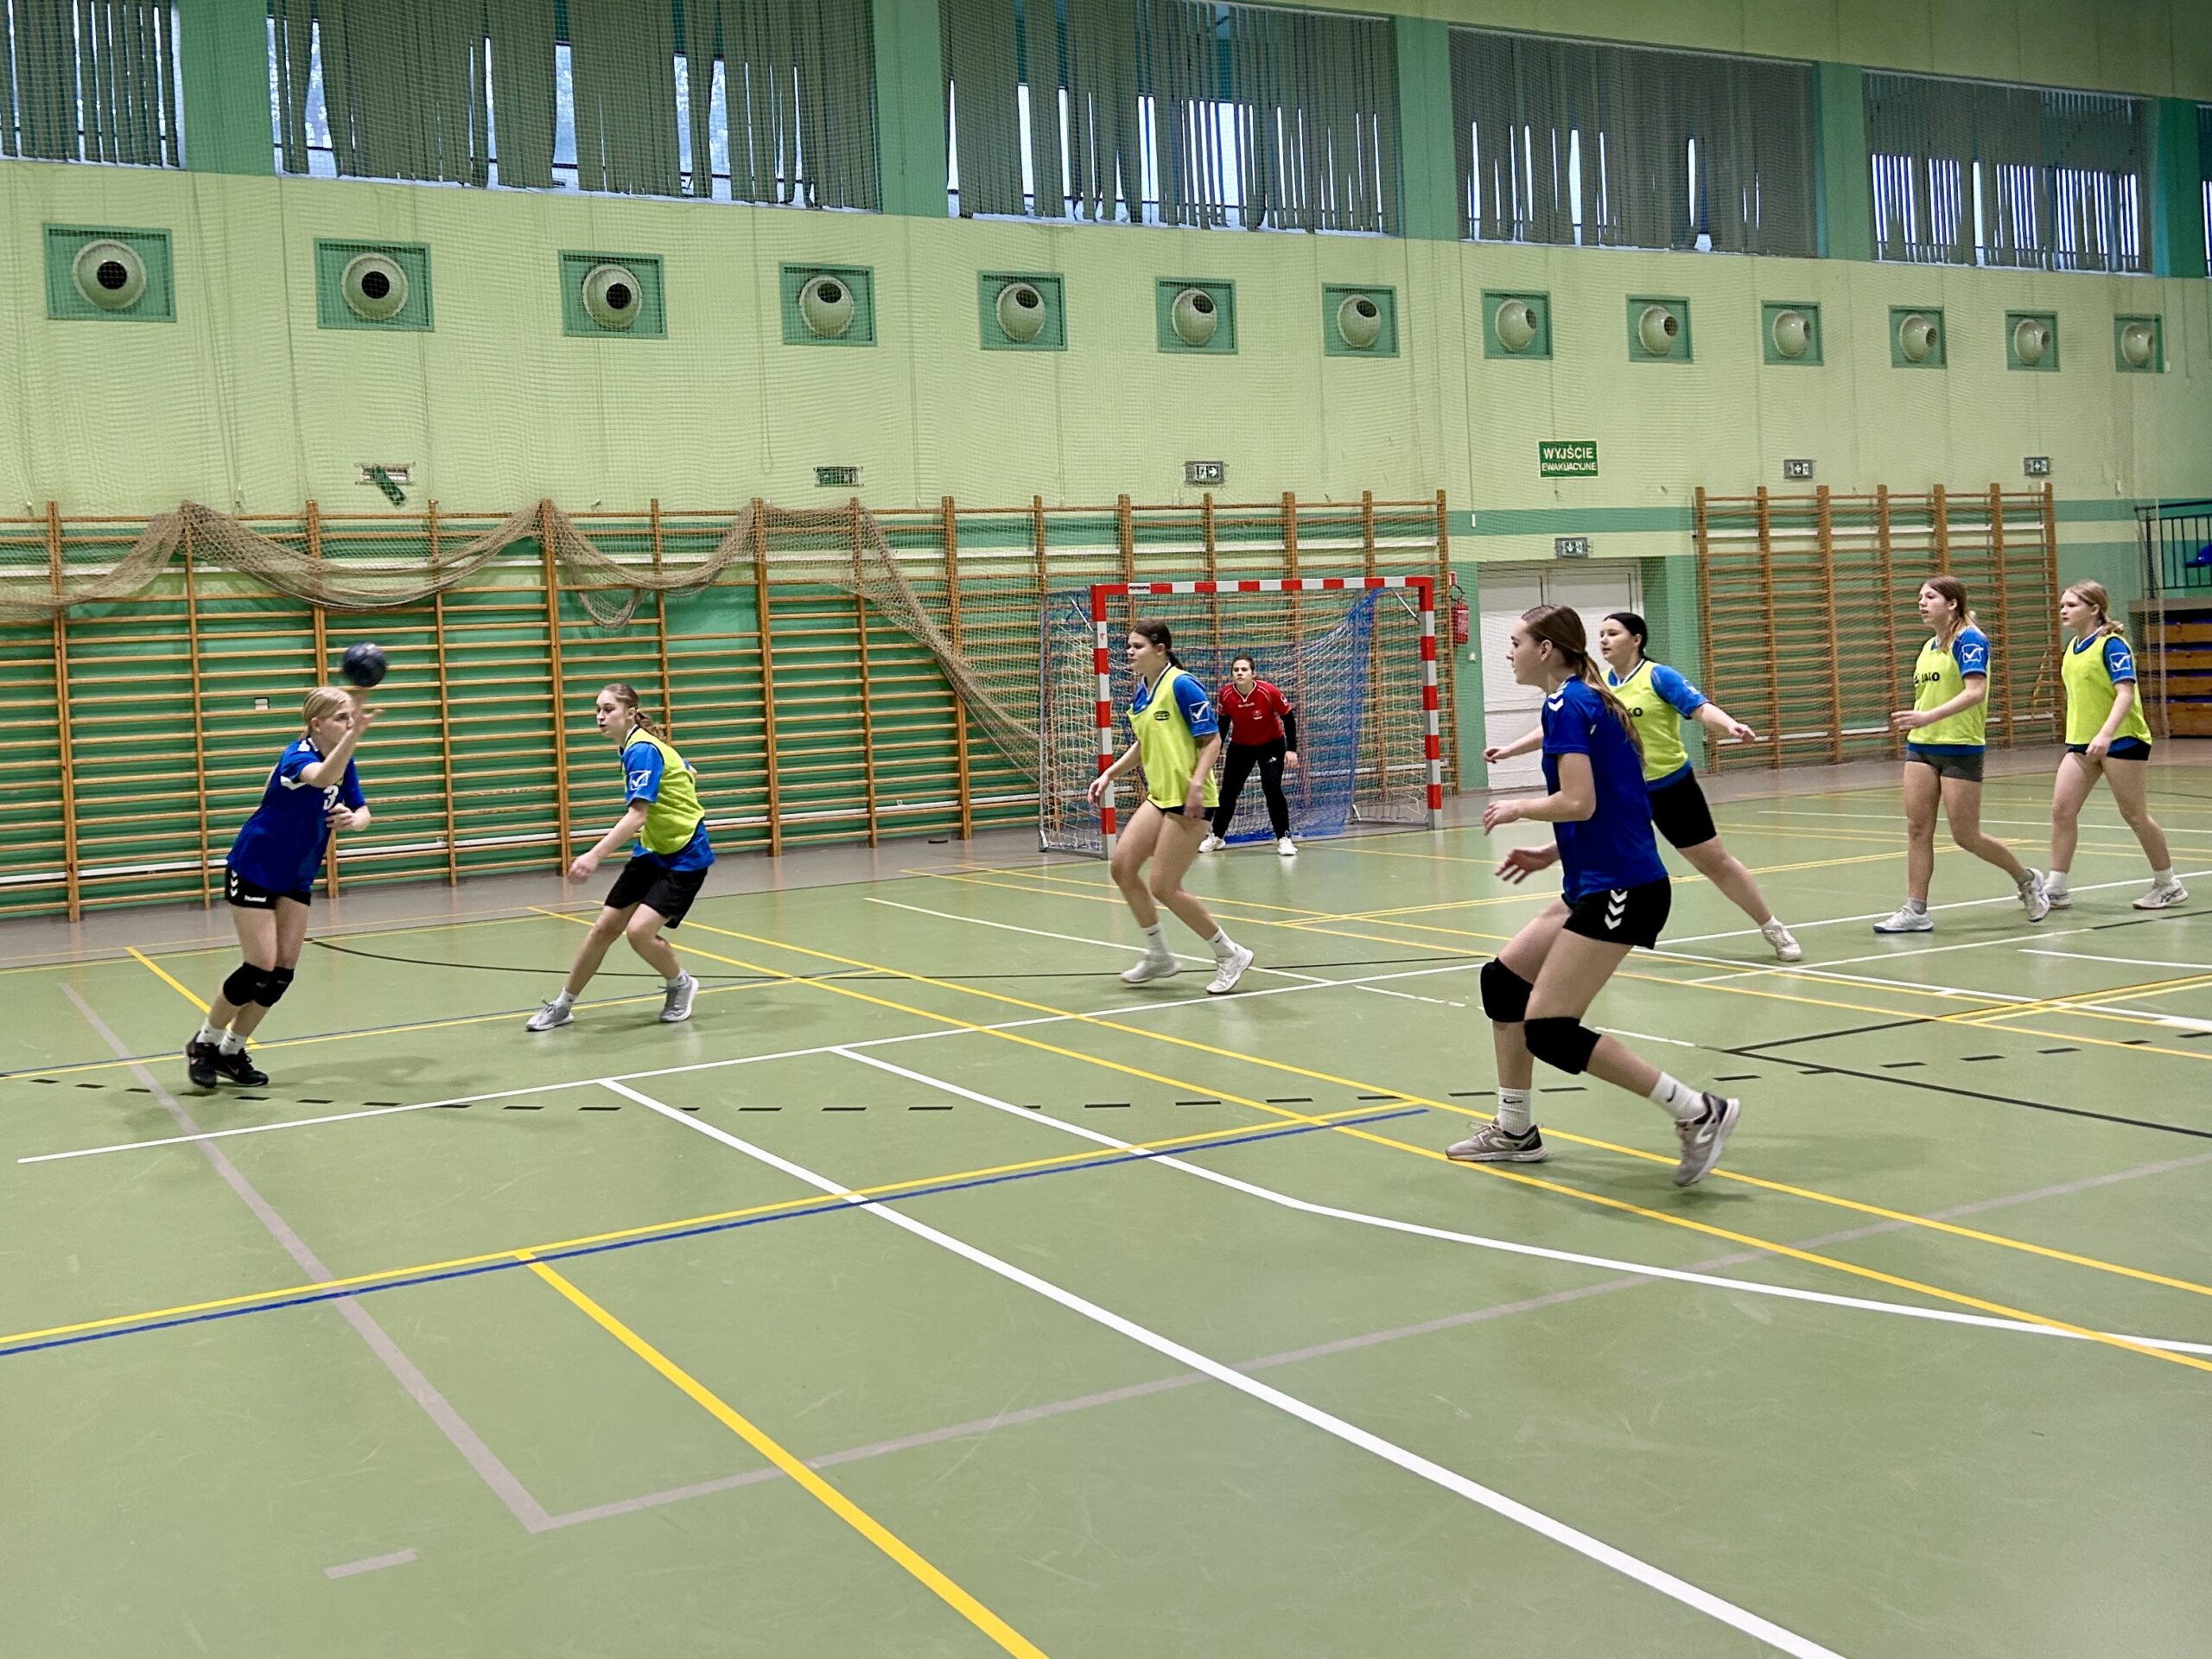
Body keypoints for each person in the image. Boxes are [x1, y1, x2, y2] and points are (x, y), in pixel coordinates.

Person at [1448, 606, 1740, 1185]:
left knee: (1550, 1029)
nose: (1508, 652)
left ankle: (1697, 1110)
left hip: (1622, 888)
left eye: (1515, 642)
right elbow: (1615, 802)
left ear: (1546, 650)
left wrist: (1518, 807)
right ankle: (1515, 1130)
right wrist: (1551, 852)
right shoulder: (1588, 699)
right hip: (1594, 879)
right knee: (1503, 983)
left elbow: (1578, 802)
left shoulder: (1568, 705)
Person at [1484, 613, 1800, 961]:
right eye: (1601, 634)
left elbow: (1698, 707)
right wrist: (1511, 749)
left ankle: (1771, 925)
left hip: (1669, 786)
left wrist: (1730, 726)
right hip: (1623, 789)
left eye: (1613, 633)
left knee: (1714, 862)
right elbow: (1557, 729)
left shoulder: (1658, 676)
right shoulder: (1597, 685)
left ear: (1636, 639)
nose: (1604, 640)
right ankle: (1589, 932)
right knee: (1600, 840)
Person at [185, 686, 375, 1089]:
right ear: (316, 723)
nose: (347, 724)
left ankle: (232, 1052)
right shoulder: (298, 756)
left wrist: (353, 820)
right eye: (340, 718)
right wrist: (355, 734)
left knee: (281, 974)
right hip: (255, 866)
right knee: (259, 966)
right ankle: (204, 1044)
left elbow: (362, 810)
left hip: (296, 875)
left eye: (350, 717)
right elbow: (322, 778)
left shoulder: (344, 761)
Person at [528, 683, 711, 1031]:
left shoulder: (641, 749)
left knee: (639, 933)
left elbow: (637, 815)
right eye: (597, 710)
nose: (600, 716)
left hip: (685, 855)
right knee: (604, 928)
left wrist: (594, 856)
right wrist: (682, 776)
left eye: (608, 709)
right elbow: (685, 769)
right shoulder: (634, 745)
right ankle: (563, 1006)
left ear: (630, 713)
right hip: (653, 850)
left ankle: (681, 984)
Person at [1086, 620, 1255, 995]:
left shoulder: (1182, 684)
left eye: (1137, 646)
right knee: (1122, 867)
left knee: (1163, 885)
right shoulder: (1142, 692)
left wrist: (1196, 783)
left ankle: (1230, 953)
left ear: (1160, 649)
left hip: (1190, 801)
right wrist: (1109, 774)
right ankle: (1159, 954)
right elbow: (1144, 744)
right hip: (1160, 796)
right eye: (1128, 646)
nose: (1129, 652)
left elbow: (1212, 740)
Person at [1876, 576, 2050, 933]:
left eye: (1930, 597)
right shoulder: (1928, 647)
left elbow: (1975, 691)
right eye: (1920, 597)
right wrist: (1920, 721)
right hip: (1922, 746)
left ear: (1952, 603)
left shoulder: (1970, 640)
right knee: (1917, 829)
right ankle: (1915, 909)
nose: (1922, 603)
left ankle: (2027, 879)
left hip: (1960, 747)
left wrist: (1927, 716)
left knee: (1966, 835)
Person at [2048, 582, 2185, 911]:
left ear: (2094, 608)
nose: (2064, 611)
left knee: (2134, 814)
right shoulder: (2073, 647)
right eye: (2063, 605)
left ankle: (2168, 884)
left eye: (2072, 605)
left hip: (2122, 738)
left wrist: (2106, 733)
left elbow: (2125, 693)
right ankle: (2056, 888)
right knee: (2062, 810)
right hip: (2081, 742)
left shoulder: (2113, 645)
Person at [1200, 653, 1300, 856]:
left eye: (1244, 670)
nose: (1240, 673)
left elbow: (1288, 718)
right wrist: (1216, 749)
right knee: (1228, 792)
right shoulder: (1226, 694)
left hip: (1271, 745)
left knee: (1272, 788)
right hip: (1241, 747)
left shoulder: (1268, 691)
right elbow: (1223, 723)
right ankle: (1217, 837)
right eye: (1236, 670)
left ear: (1253, 673)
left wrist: (1291, 749)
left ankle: (1284, 838)